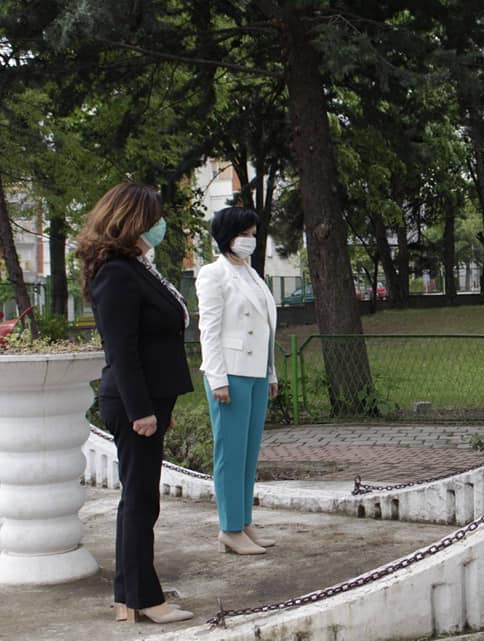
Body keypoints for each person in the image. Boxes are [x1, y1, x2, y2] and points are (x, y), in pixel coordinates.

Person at [75, 183, 194, 625]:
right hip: (132, 404)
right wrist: (143, 409)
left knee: (141, 500)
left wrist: (160, 403)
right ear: (133, 220)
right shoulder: (117, 274)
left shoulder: (135, 267)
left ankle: (130, 594)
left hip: (148, 400)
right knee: (141, 502)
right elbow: (121, 351)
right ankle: (144, 599)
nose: (161, 224)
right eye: (154, 217)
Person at [196, 207, 278, 555]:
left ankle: (244, 522)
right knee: (230, 454)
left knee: (248, 455)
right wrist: (217, 379)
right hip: (228, 372)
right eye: (245, 233)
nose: (251, 240)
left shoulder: (252, 274)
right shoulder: (213, 274)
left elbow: (267, 330)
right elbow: (208, 331)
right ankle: (229, 528)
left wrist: (271, 373)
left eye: (253, 233)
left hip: (257, 372)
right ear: (227, 235)